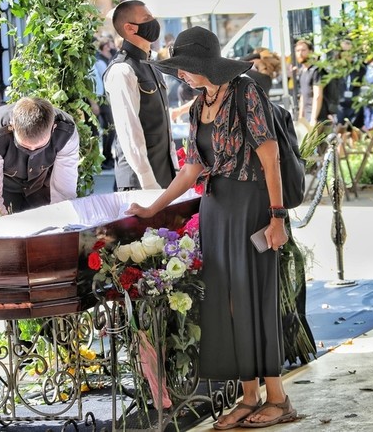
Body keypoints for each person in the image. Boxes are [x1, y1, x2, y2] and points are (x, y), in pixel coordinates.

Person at [126, 26, 297, 429]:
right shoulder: (199, 104)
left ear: (201, 64)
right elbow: (192, 168)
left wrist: (277, 217)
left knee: (254, 299)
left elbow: (270, 157)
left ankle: (278, 398)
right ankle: (249, 397)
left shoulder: (245, 91)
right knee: (228, 303)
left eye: (184, 68)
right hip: (216, 209)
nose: (180, 75)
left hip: (252, 206)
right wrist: (153, 208)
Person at [103, 0, 177, 191]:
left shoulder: (150, 64)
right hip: (141, 182)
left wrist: (174, 167)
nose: (153, 22)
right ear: (129, 28)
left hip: (163, 175)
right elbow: (129, 131)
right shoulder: (122, 70)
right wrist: (148, 182)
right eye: (147, 18)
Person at [0, 97, 79, 219]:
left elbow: (64, 191)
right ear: (12, 126)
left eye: (40, 147)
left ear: (53, 128)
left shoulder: (66, 133)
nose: (32, 151)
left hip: (40, 187)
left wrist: (62, 220)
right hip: (4, 188)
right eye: (25, 146)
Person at [93, 37, 115, 170]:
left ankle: (107, 156)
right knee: (110, 128)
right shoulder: (100, 61)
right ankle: (106, 157)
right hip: (102, 99)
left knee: (109, 128)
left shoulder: (105, 59)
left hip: (104, 98)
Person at [295, 39, 321, 131]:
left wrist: (314, 118)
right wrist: (300, 117)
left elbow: (318, 95)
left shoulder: (316, 70)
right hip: (307, 117)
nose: (300, 53)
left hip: (318, 117)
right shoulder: (302, 71)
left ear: (311, 52)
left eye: (303, 50)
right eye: (298, 50)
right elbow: (303, 95)